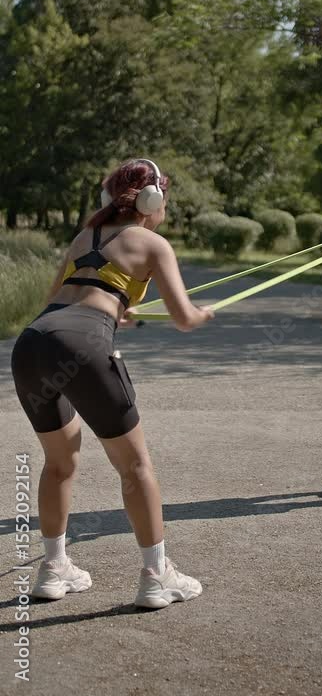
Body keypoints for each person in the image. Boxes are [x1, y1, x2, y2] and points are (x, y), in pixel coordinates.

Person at [11, 158, 214, 608]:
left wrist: (116, 306)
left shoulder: (85, 236)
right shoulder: (153, 243)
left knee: (59, 461)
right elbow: (183, 318)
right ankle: (157, 576)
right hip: (83, 345)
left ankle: (53, 568)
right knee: (135, 466)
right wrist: (203, 314)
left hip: (33, 343)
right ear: (152, 200)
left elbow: (59, 298)